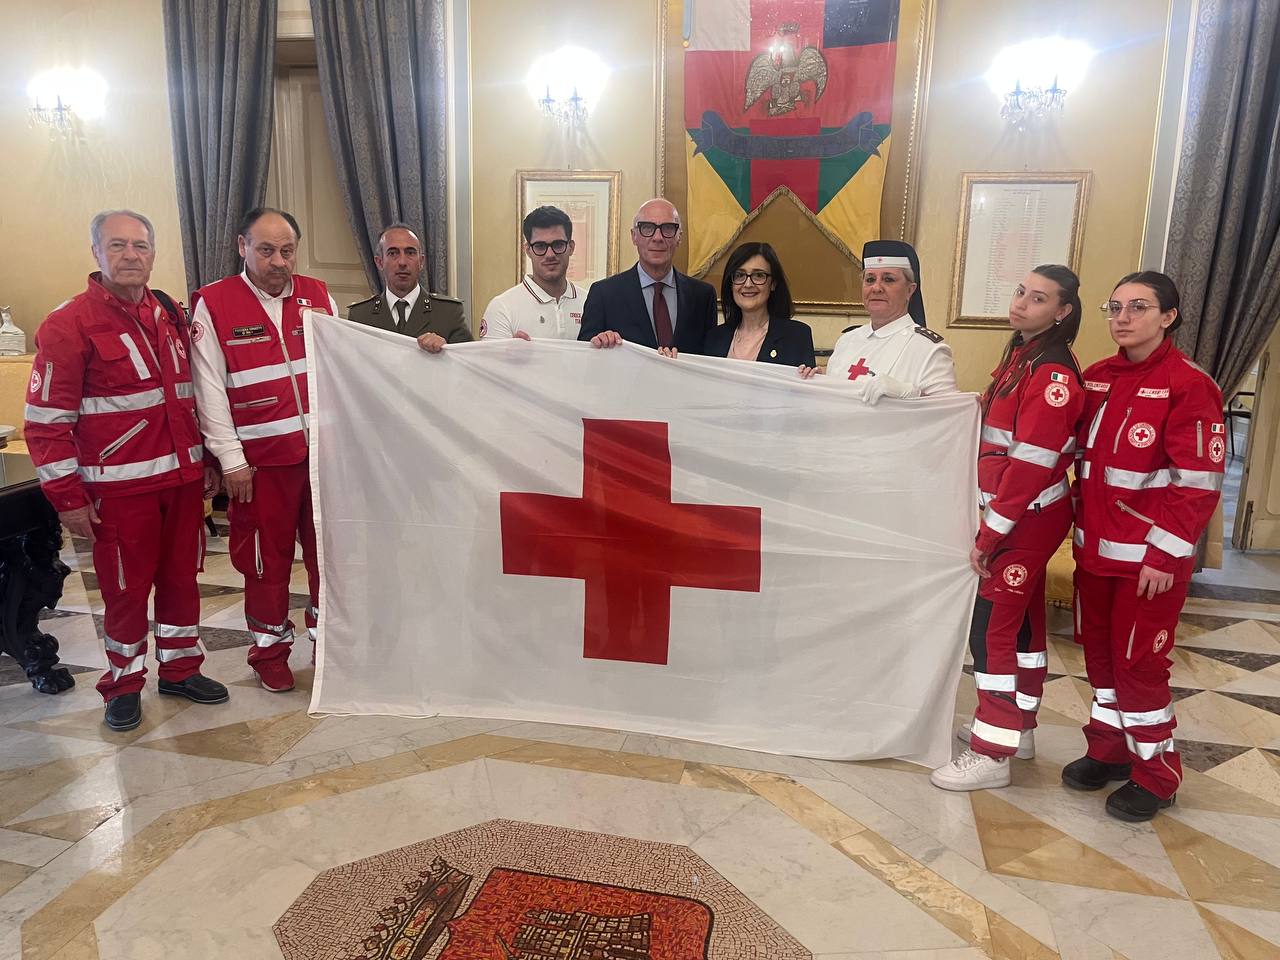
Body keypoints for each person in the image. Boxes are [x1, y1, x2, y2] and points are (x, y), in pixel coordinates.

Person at [25, 210, 229, 730]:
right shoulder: (67, 325)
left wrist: (204, 459)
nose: (131, 256)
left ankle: (181, 668)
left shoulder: (169, 313)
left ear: (153, 253)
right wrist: (68, 498)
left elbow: (188, 399)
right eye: (117, 246)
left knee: (183, 581)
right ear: (96, 252)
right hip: (120, 493)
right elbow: (47, 424)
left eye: (140, 246)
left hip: (182, 486)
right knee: (125, 592)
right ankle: (123, 683)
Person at [1065, 271, 1224, 821]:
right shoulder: (1098, 377)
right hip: (1095, 556)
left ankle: (1157, 774)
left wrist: (1165, 552)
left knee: (1140, 668)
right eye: (1115, 307)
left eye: (1138, 307)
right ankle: (1108, 751)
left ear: (1168, 317)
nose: (1123, 318)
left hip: (1148, 565)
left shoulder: (1189, 384)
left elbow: (1197, 481)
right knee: (1101, 661)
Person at [930, 265, 1085, 791]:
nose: (1021, 303)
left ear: (1061, 312)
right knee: (1022, 628)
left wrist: (990, 534)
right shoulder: (1022, 353)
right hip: (1019, 514)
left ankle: (991, 752)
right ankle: (1019, 729)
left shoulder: (1053, 373)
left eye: (1038, 299)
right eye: (1020, 291)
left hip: (1025, 516)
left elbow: (1031, 464)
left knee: (991, 627)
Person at [188, 207, 338, 693]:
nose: (279, 261)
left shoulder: (316, 295)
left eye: (287, 250)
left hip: (320, 460)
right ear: (242, 247)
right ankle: (269, 651)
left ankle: (329, 646)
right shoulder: (214, 303)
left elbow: (344, 367)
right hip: (258, 467)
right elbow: (208, 390)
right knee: (264, 562)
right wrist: (230, 459)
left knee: (327, 558)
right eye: (267, 250)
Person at [799, 240, 957, 400]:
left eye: (888, 279)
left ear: (910, 290)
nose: (876, 287)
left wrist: (913, 395)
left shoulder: (929, 350)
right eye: (870, 279)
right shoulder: (846, 341)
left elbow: (949, 415)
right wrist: (820, 383)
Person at [578, 199, 717, 355]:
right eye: (648, 228)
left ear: (679, 237)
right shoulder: (603, 294)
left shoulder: (702, 296)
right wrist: (599, 341)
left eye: (668, 228)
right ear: (634, 236)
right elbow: (585, 356)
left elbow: (710, 358)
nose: (658, 238)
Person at [347, 223, 471, 353]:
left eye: (410, 253)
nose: (402, 262)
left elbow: (469, 364)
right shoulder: (360, 316)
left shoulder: (448, 312)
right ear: (379, 262)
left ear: (421, 261)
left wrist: (447, 350)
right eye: (393, 253)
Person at [481, 206, 588, 341]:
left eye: (558, 244)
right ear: (528, 250)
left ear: (571, 247)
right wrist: (509, 356)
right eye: (540, 246)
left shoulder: (589, 301)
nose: (550, 254)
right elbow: (489, 361)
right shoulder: (502, 307)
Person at [704, 242, 816, 366]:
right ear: (731, 284)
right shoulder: (714, 337)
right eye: (740, 275)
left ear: (773, 283)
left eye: (758, 275)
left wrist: (812, 377)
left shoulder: (797, 336)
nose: (748, 284)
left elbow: (801, 384)